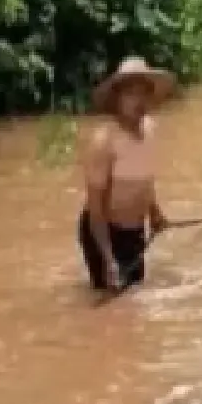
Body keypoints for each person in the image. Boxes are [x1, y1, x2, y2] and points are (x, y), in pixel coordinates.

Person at [79, 54, 173, 294]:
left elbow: (144, 178)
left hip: (135, 230)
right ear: (117, 99)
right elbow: (96, 209)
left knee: (135, 298)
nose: (138, 100)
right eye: (131, 93)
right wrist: (108, 259)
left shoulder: (150, 129)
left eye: (143, 92)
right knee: (112, 299)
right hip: (104, 233)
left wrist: (155, 213)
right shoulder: (103, 142)